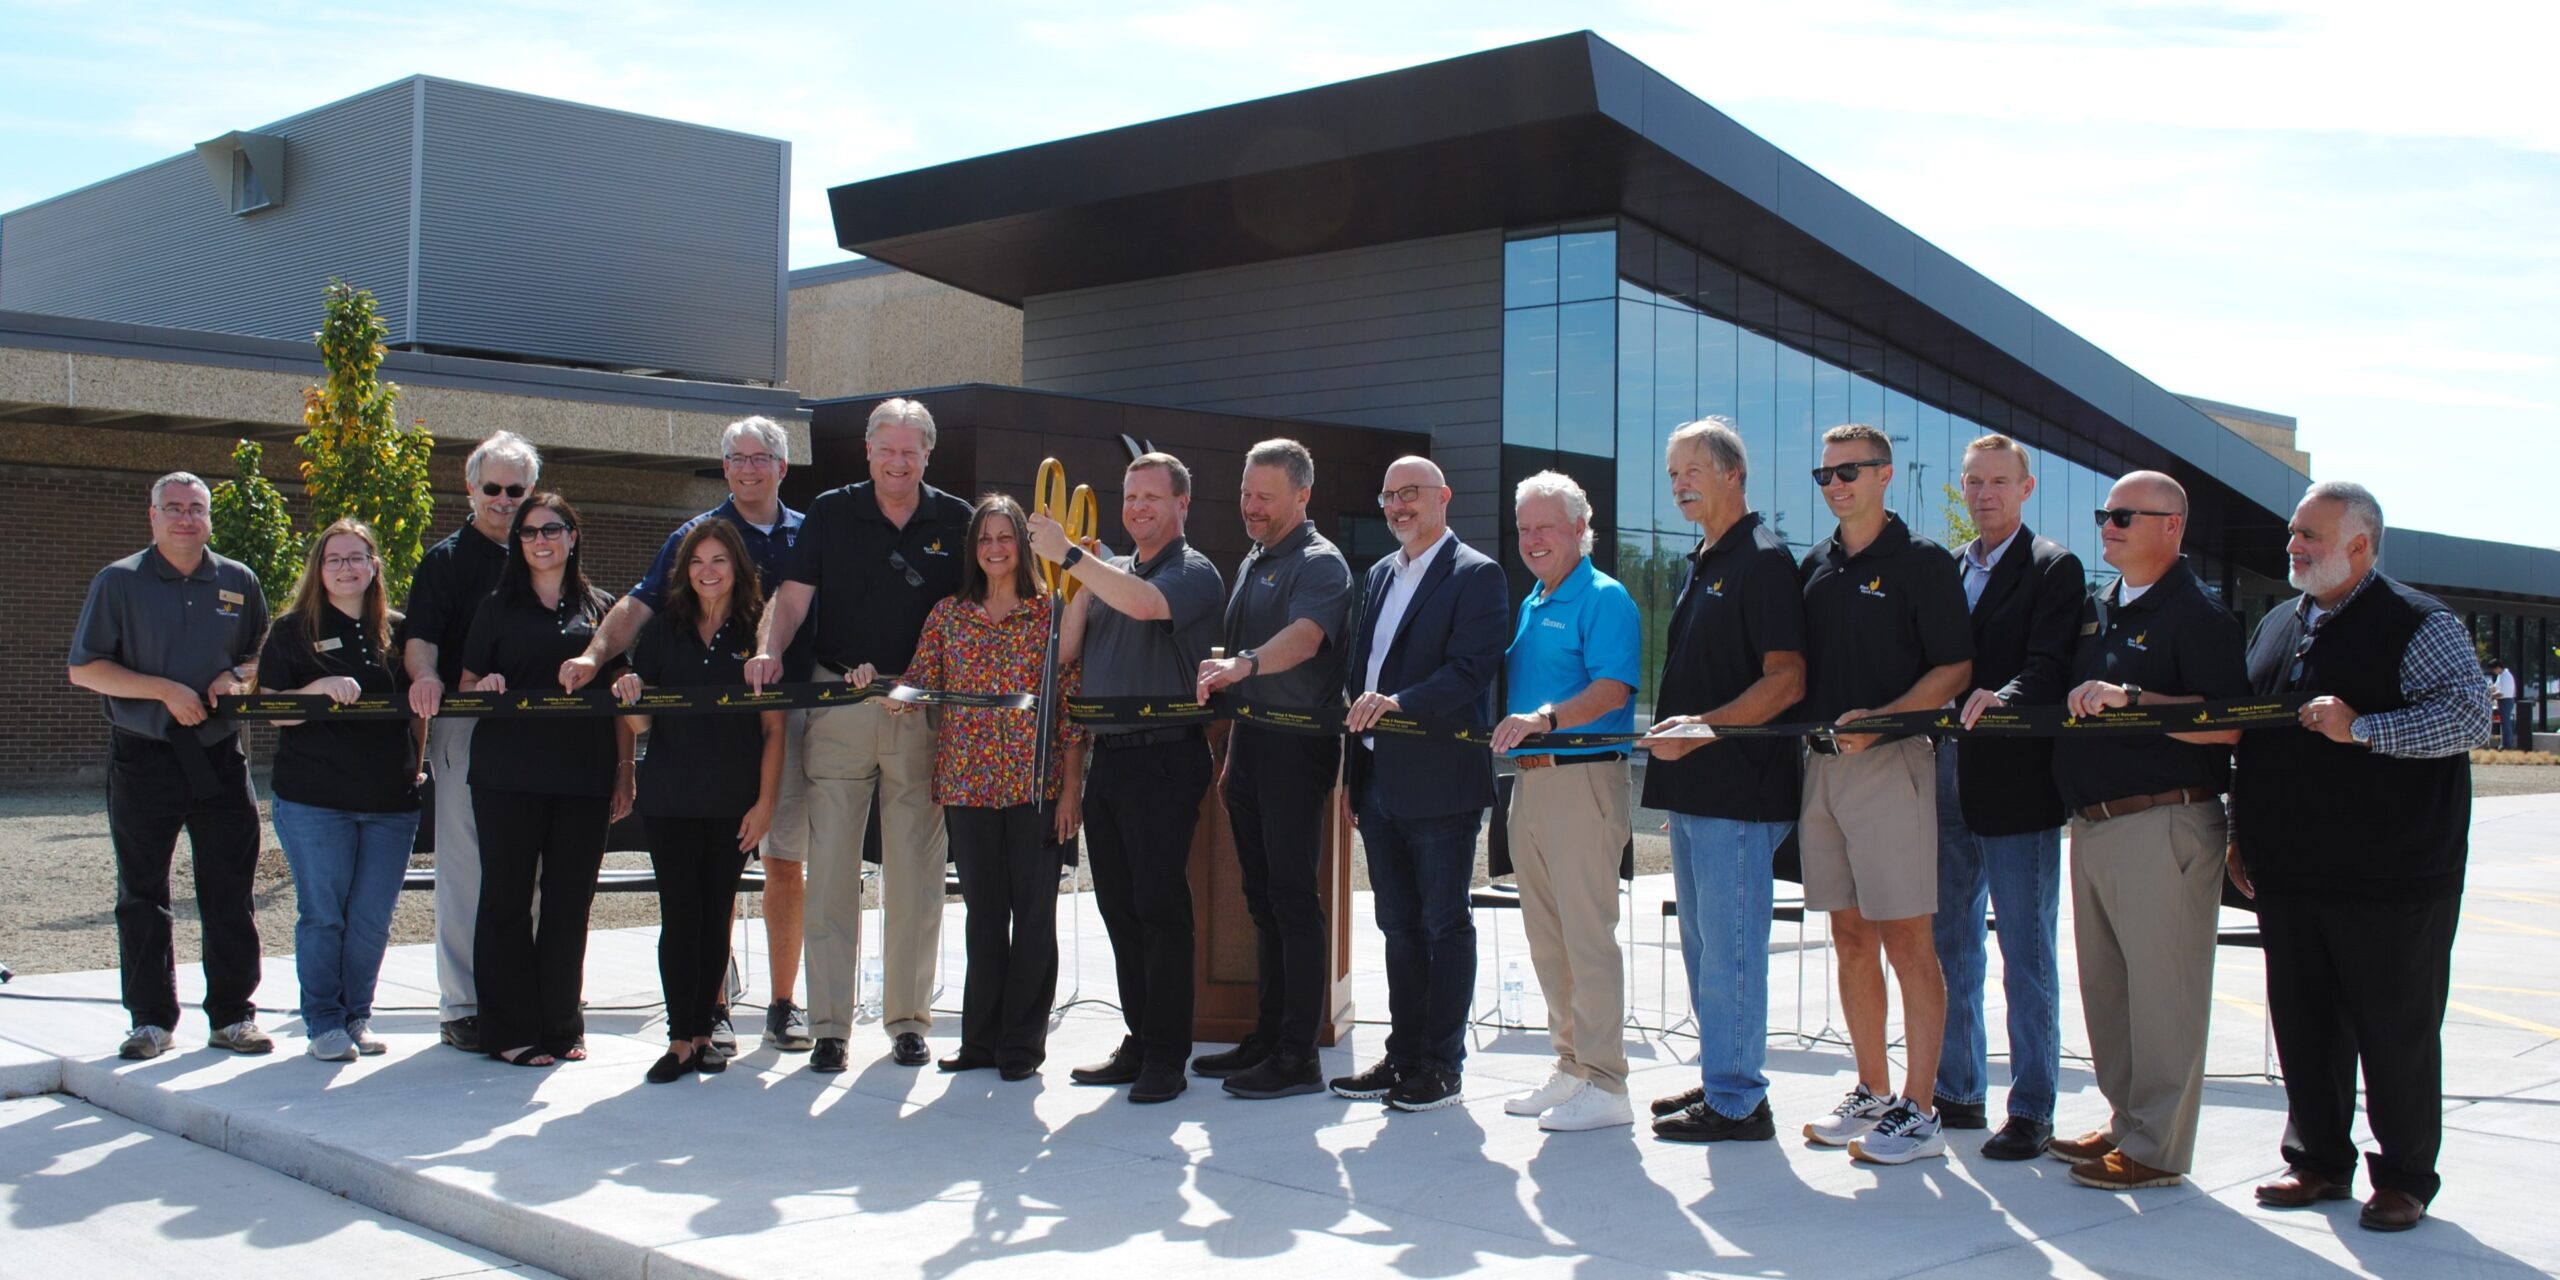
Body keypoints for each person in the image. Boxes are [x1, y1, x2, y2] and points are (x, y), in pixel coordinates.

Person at [2233, 481, 2489, 1232]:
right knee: (2304, 1023)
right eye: (2293, 533)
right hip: (2291, 869)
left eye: (2311, 535)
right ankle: (2316, 1160)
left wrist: (2364, 729)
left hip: (2394, 876)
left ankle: (2405, 1176)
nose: (2294, 546)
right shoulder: (2280, 622)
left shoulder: (2417, 621)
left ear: (2361, 544)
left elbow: (2468, 714)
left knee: (2395, 1030)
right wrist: (2240, 835)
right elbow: (2254, 740)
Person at [564, 415, 815, 1055]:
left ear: (782, 468)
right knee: (712, 882)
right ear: (725, 466)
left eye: (762, 458)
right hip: (703, 754)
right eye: (737, 457)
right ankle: (713, 1007)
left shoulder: (809, 535)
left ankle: (784, 1004)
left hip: (785, 723)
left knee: (785, 862)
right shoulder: (691, 538)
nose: (749, 467)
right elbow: (637, 607)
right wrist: (596, 659)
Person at [750, 397, 973, 1073]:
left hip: (920, 712)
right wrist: (768, 649)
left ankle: (907, 1019)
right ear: (869, 451)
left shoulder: (957, 519)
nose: (898, 462)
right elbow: (792, 598)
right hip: (839, 700)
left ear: (927, 455)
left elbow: (972, 615)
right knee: (831, 878)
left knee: (916, 875)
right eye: (888, 449)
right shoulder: (829, 511)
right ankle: (829, 1027)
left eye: (912, 451)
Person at [2046, 470, 2248, 1190]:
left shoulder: (2199, 615)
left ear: (2173, 525)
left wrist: (2134, 699)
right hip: (2096, 825)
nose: (2111, 524)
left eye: (2128, 515)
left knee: (2165, 994)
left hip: (2163, 819)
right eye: (2107, 513)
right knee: (2110, 992)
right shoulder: (2100, 609)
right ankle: (2129, 1119)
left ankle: (2158, 1147)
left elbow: (2228, 725)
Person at [1793, 423, 1973, 1166]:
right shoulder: (1815, 565)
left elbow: (1955, 669)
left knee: (1908, 939)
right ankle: (1870, 1089)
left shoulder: (1923, 563)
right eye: (1825, 474)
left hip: (1895, 765)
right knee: (1848, 936)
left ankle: (1921, 1109)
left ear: (1885, 474)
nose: (1836, 485)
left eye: (1850, 471)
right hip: (1822, 770)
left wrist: (1888, 721)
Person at [1034, 453, 1225, 1105]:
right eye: (1130, 497)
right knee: (1119, 908)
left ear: (1182, 505)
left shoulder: (1192, 571)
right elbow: (1065, 651)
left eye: (1152, 497)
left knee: (1158, 907)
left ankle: (1168, 1055)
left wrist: (1072, 559)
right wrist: (1083, 574)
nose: (1138, 507)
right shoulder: (1107, 573)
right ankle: (1140, 1040)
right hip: (1111, 759)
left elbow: (1149, 607)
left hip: (1166, 756)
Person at [67, 471, 271, 1060]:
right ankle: (150, 1022)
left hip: (219, 756)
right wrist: (162, 690)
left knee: (229, 891)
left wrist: (236, 675)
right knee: (142, 893)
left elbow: (262, 651)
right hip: (144, 757)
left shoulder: (237, 580)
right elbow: (85, 669)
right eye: (174, 508)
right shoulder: (119, 582)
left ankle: (233, 1017)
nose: (186, 518)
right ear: (152, 515)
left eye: (197, 508)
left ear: (209, 517)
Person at [1640, 419, 1806, 1144]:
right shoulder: (1704, 558)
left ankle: (1739, 1100)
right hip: (1697, 795)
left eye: (1692, 470)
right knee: (1706, 951)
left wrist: (1700, 731)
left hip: (1740, 792)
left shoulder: (1763, 561)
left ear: (1734, 475)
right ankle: (1722, 1077)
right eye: (1673, 472)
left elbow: (1788, 680)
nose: (1679, 484)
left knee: (1732, 951)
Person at [1334, 458, 1508, 1114]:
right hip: (1378, 781)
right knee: (1397, 926)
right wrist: (1354, 775)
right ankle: (1405, 1054)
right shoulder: (1379, 574)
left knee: (1442, 924)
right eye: (1389, 496)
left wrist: (1397, 704)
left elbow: (1470, 672)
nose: (1399, 505)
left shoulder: (1477, 575)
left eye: (1412, 494)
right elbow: (1359, 678)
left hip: (1440, 786)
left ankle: (1441, 1065)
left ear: (1443, 498)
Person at [895, 495, 1085, 1081]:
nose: (996, 549)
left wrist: (1072, 792)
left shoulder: (1049, 614)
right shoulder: (948, 615)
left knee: (1032, 917)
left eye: (1006, 538)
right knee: (982, 916)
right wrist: (885, 690)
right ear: (972, 549)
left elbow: (1070, 708)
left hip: (1036, 788)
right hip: (967, 786)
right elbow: (916, 683)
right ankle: (979, 1040)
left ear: (1023, 547)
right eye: (985, 539)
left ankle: (1021, 1046)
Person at [1934, 436, 2084, 1159]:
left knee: (2025, 952)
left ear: (2026, 488)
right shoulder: (1949, 568)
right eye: (1974, 482)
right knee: (1950, 944)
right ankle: (1957, 1091)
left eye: (1999, 482)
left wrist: (2008, 699)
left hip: (2018, 784)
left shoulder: (2055, 567)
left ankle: (2032, 1108)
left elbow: (2050, 664)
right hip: (1946, 777)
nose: (1985, 494)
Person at [1193, 438, 1356, 1099]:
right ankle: (1266, 1036)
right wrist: (1232, 740)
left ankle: (1298, 1055)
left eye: (1264, 496)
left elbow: (1307, 638)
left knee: (1292, 899)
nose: (1250, 507)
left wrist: (1248, 664)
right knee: (1260, 898)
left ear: (1301, 495)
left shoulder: (1320, 563)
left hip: (1297, 747)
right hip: (1254, 744)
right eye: (1244, 493)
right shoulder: (1256, 558)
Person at [1485, 469, 1638, 1131]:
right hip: (1533, 783)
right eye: (1524, 528)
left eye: (1546, 526)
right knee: (1548, 939)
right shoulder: (1535, 599)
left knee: (1587, 936)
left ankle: (1607, 1082)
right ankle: (1572, 1065)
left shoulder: (1604, 597)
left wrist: (1546, 718)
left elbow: (1613, 689)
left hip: (1582, 780)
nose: (1533, 539)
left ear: (1580, 528)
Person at [459, 492, 635, 1067]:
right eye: (530, 532)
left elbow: (619, 700)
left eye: (552, 529)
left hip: (582, 778)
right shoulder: (495, 605)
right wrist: (480, 688)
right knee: (507, 901)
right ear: (519, 542)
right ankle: (508, 1031)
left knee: (568, 904)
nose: (541, 540)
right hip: (507, 778)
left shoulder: (600, 609)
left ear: (572, 535)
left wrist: (624, 772)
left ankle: (561, 1025)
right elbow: (465, 683)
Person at [610, 520, 785, 1084]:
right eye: (697, 562)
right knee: (680, 916)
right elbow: (641, 723)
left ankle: (708, 1031)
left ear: (738, 567)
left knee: (715, 921)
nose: (708, 571)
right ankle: (679, 1038)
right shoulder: (664, 631)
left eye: (719, 560)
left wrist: (765, 804)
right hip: (671, 798)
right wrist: (628, 694)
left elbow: (774, 731)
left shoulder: (758, 634)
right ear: (684, 571)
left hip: (732, 801)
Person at [255, 519, 423, 1062]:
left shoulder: (400, 631)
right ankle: (324, 1020)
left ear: (374, 566)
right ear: (319, 570)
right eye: (335, 559)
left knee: (373, 916)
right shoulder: (291, 630)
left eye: (357, 558)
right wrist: (316, 689)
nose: (346, 568)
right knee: (324, 913)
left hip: (389, 803)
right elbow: (273, 711)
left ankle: (357, 1016)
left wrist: (415, 768)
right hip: (314, 800)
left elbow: (420, 712)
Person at [404, 430, 540, 1052]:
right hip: (467, 724)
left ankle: (524, 992)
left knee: (530, 867)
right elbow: (421, 639)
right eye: (494, 489)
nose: (506, 500)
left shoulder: (547, 550)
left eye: (518, 489)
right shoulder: (447, 561)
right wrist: (428, 681)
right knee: (465, 866)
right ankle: (462, 1004)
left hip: (539, 731)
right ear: (470, 489)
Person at [2490, 660, 2519, 749]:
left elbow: (2501, 693)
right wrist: (2489, 689)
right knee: (2504, 723)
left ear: (2498, 668)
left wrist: (2490, 696)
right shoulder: (2501, 675)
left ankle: (2507, 745)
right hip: (2502, 701)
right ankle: (2505, 744)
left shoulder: (2506, 676)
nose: (2494, 672)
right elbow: (2495, 687)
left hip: (2506, 701)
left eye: (2494, 669)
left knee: (2506, 724)